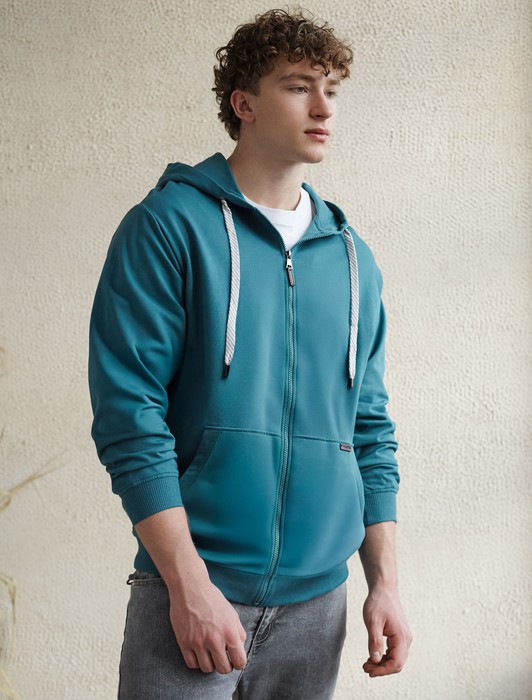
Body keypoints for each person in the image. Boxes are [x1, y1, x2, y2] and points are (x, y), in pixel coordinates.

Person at [89, 8, 412, 699]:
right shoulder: (168, 228)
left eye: (331, 88)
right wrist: (188, 584)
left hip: (319, 606)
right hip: (192, 593)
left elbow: (369, 430)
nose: (324, 107)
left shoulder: (353, 260)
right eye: (298, 87)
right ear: (244, 104)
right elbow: (129, 417)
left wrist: (383, 582)